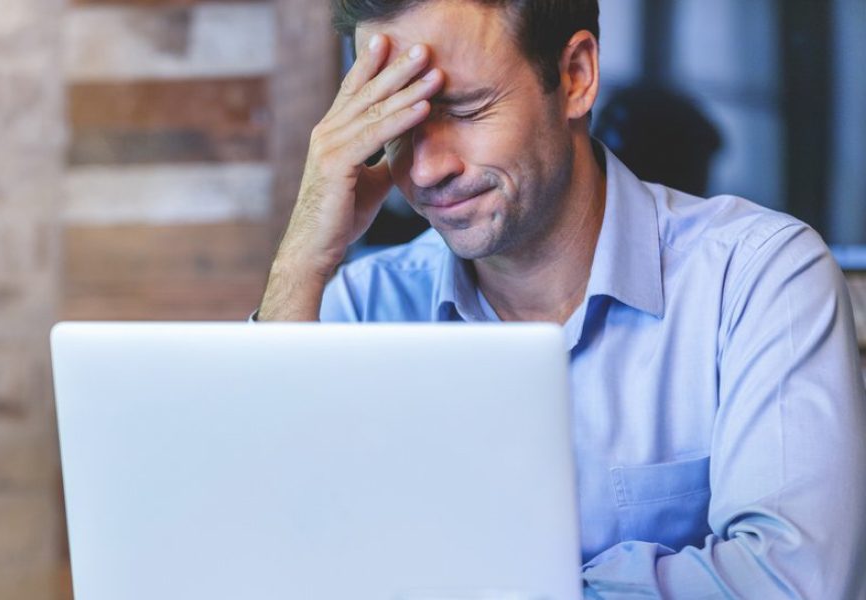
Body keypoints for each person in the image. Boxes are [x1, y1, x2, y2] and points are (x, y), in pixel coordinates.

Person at [256, 0, 866, 596]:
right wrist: (300, 261)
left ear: (575, 77)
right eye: (397, 125)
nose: (423, 171)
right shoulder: (360, 308)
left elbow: (790, 583)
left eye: (466, 110)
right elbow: (256, 551)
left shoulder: (760, 279)